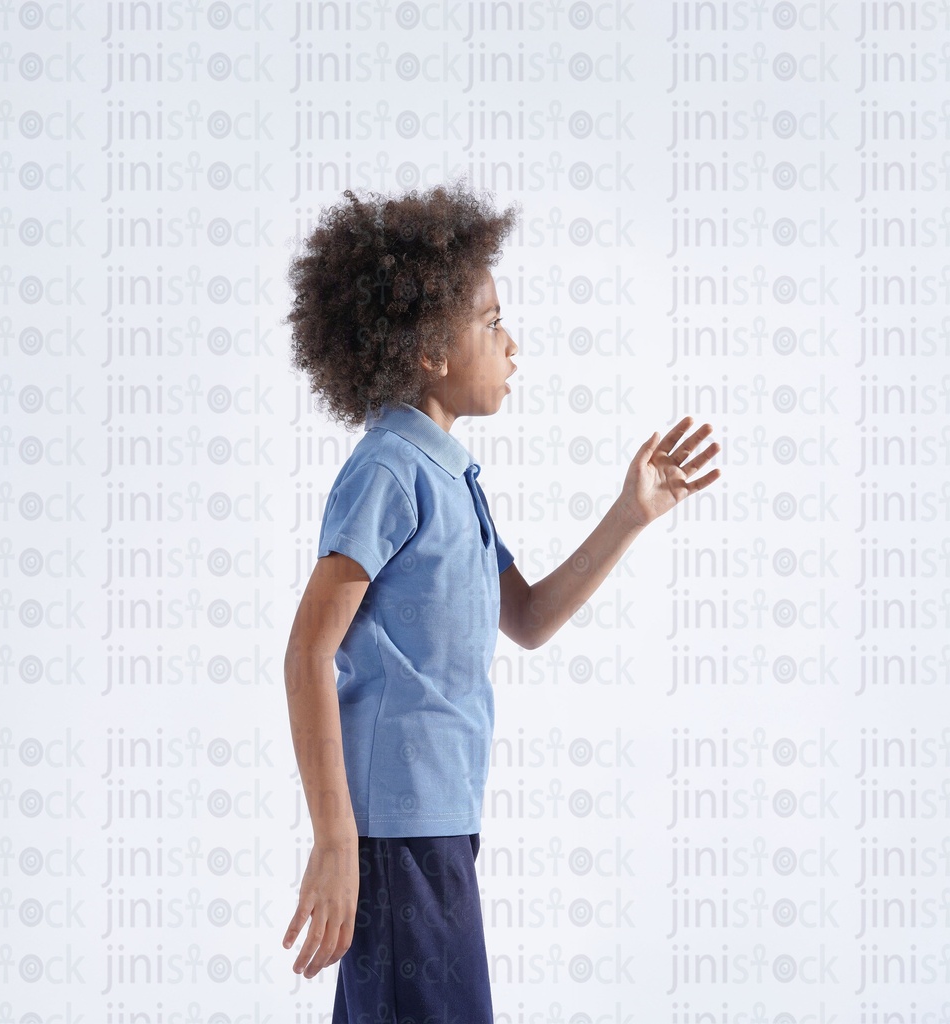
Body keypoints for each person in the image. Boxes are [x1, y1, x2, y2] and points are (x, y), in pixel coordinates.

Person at [280, 180, 721, 1022]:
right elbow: (308, 652)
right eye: (490, 322)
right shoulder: (388, 470)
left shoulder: (452, 477)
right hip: (399, 837)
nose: (512, 344)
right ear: (429, 351)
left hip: (440, 823)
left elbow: (526, 619)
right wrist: (337, 843)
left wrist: (629, 514)